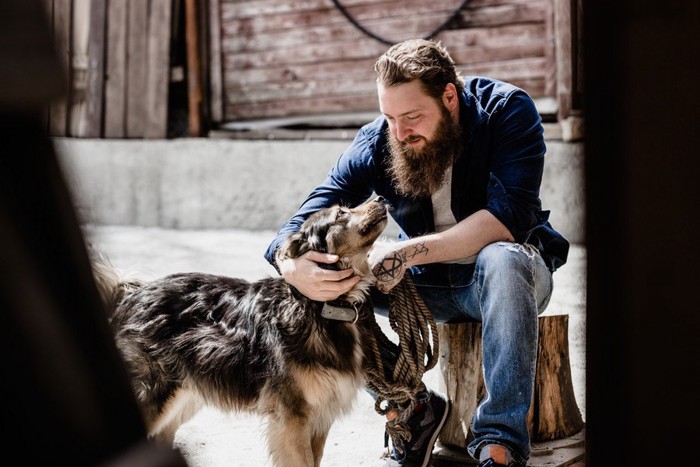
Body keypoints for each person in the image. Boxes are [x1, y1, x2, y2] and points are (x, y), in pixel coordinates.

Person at [264, 38, 569, 467]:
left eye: (411, 116)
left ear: (449, 96)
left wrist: (404, 253)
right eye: (389, 118)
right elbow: (317, 205)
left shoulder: (507, 110)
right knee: (325, 280)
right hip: (425, 289)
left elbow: (508, 218)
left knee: (502, 256)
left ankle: (500, 443)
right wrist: (288, 262)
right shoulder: (379, 140)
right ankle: (410, 407)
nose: (400, 132)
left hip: (508, 279)